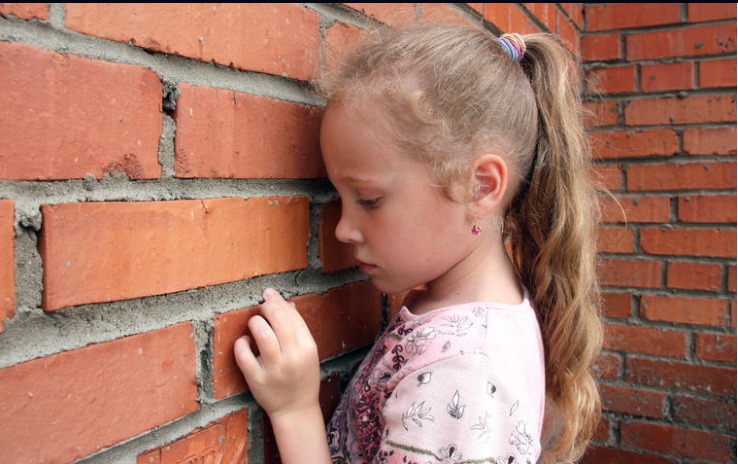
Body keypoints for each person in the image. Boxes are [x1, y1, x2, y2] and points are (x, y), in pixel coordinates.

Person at [234, 22, 603, 464]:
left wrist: (295, 411)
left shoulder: (461, 372)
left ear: (480, 187)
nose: (342, 230)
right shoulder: (469, 311)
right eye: (339, 199)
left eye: (369, 200)